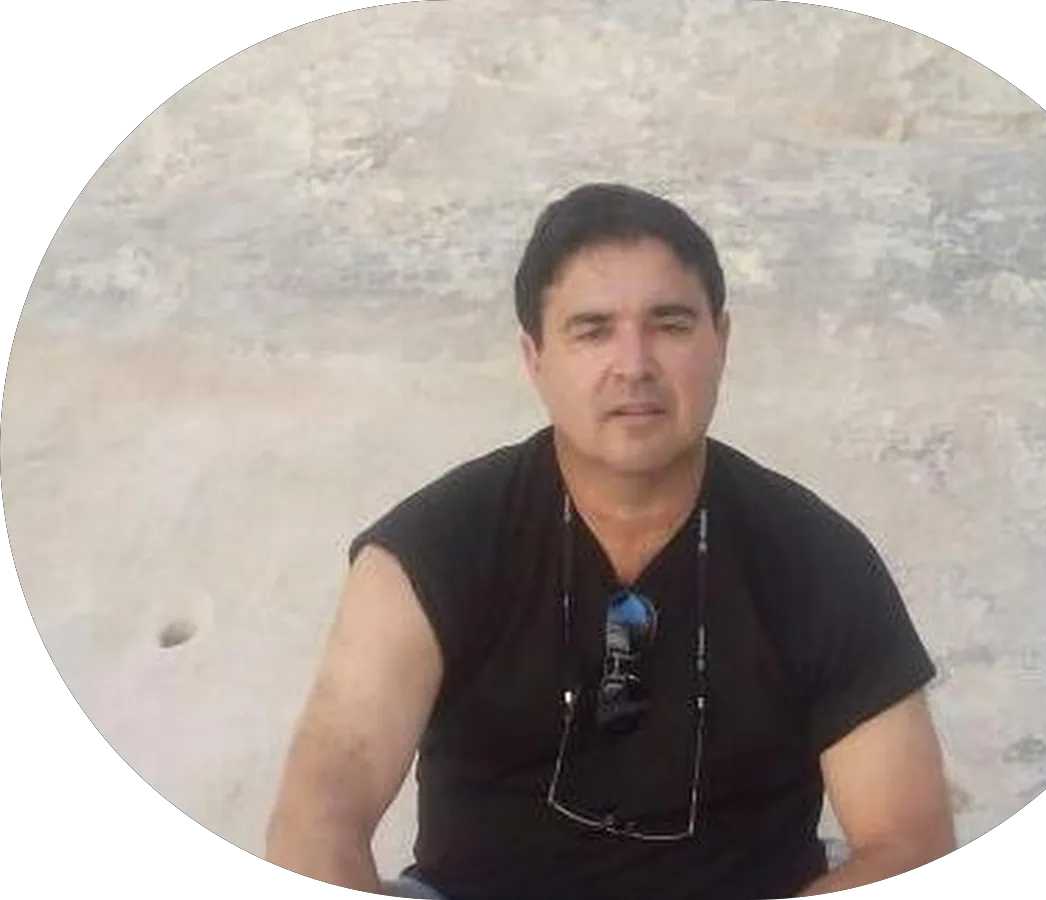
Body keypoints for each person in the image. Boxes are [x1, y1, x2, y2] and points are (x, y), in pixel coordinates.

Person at [265, 183, 956, 899]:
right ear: (535, 357)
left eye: (671, 324)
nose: (634, 365)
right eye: (592, 330)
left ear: (721, 340)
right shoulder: (432, 550)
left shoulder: (817, 561)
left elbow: (908, 838)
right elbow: (318, 816)